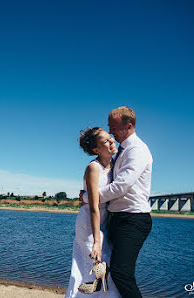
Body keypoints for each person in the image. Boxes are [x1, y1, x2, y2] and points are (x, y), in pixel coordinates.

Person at [81, 106, 153, 298]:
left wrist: (88, 197)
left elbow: (120, 187)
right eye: (109, 127)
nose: (111, 132)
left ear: (128, 126)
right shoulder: (119, 151)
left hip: (133, 219)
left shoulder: (137, 150)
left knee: (121, 273)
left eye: (114, 127)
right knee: (109, 273)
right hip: (116, 219)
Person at [65, 127, 121, 298]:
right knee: (92, 269)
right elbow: (93, 206)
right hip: (90, 223)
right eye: (105, 141)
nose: (112, 141)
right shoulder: (93, 168)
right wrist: (97, 241)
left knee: (105, 271)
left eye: (111, 137)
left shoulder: (114, 163)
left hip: (104, 222)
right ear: (96, 150)